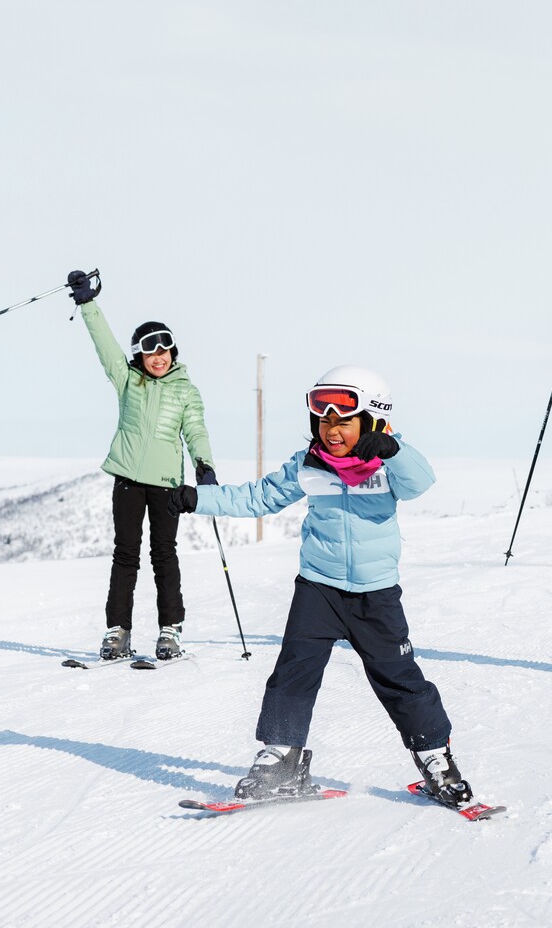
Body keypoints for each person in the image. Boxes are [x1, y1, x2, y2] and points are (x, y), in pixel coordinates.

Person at [169, 366, 475, 807]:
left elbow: (420, 483)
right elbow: (258, 497)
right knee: (293, 673)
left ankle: (436, 760)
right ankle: (282, 756)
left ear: (372, 421)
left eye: (344, 422)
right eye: (324, 421)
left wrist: (393, 449)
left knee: (400, 679)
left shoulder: (390, 464)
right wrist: (197, 499)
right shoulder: (308, 464)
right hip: (318, 588)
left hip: (376, 595)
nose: (332, 431)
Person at [67, 270, 215, 663]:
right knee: (125, 554)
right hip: (129, 479)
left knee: (164, 554)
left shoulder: (186, 389)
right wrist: (87, 303)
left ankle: (171, 631)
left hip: (167, 484)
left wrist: (204, 465)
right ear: (140, 356)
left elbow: (195, 430)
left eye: (165, 350)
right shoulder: (127, 379)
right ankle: (118, 631)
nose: (159, 358)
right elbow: (105, 346)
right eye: (151, 352)